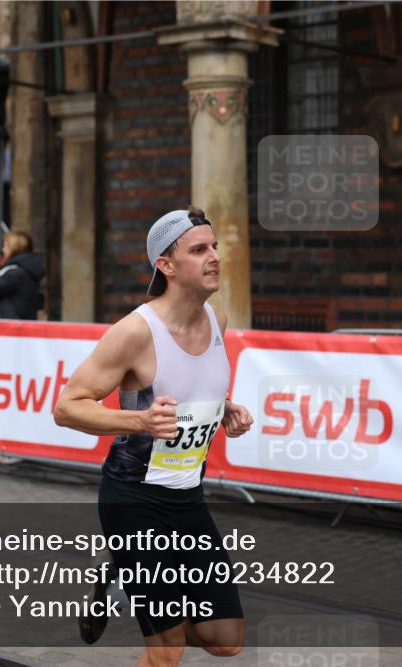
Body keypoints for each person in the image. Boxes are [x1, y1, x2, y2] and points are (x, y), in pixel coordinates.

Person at [53, 206, 254, 666]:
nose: (215, 257)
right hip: (134, 500)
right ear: (165, 265)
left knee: (226, 639)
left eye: (215, 247)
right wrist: (138, 422)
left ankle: (126, 586)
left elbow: (191, 389)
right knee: (166, 650)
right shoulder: (135, 333)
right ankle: (139, 589)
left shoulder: (217, 322)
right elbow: (67, 407)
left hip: (188, 499)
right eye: (199, 249)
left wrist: (226, 411)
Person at [0, 231, 45, 320]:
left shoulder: (16, 274)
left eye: (5, 246)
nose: (3, 250)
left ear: (13, 249)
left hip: (9, 328)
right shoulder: (24, 271)